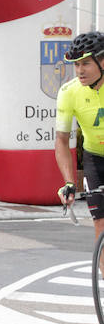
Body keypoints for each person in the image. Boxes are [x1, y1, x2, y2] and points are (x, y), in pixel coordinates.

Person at [56, 32, 104, 243]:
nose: (79, 71)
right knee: (101, 225)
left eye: (85, 63)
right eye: (76, 65)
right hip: (95, 159)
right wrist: (69, 182)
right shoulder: (69, 92)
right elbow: (62, 141)